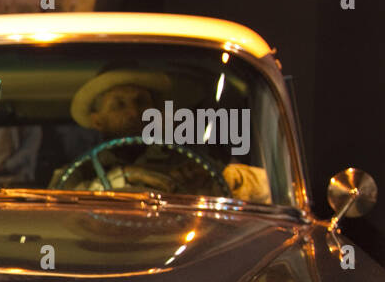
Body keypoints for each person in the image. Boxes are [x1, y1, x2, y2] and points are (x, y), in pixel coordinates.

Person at [58, 66, 270, 201]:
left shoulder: (188, 162)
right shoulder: (78, 174)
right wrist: (121, 179)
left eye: (141, 102)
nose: (133, 112)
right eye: (118, 105)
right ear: (98, 120)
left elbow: (269, 189)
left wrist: (227, 178)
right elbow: (56, 207)